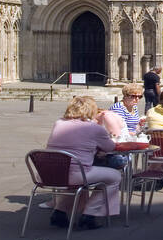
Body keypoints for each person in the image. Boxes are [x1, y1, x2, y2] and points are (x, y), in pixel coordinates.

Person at [46, 96, 122, 230]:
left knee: (77, 180)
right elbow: (110, 147)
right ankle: (90, 214)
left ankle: (59, 212)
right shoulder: (94, 128)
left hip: (50, 172)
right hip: (75, 173)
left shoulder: (59, 123)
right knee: (115, 176)